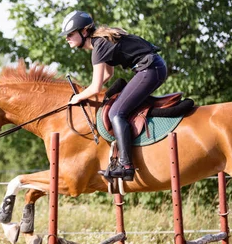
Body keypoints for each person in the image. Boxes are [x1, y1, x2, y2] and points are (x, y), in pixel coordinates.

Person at [60, 10, 167, 181]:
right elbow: (107, 76)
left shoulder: (98, 46)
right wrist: (88, 92)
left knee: (116, 113)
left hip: (150, 69)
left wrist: (79, 97)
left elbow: (95, 87)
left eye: (70, 34)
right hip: (152, 67)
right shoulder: (100, 44)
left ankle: (125, 166)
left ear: (84, 31)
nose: (67, 38)